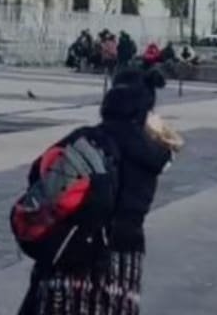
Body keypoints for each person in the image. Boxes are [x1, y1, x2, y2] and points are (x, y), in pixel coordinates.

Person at [19, 68, 174, 315]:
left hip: (73, 253)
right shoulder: (153, 154)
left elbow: (39, 173)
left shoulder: (85, 139)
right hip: (122, 262)